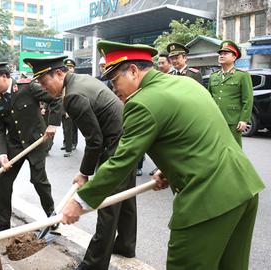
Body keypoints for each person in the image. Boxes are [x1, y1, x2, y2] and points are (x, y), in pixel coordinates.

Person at [62, 40, 265, 270]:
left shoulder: (141, 103)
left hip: (209, 199)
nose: (113, 87)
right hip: (244, 187)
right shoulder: (186, 84)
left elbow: (121, 162)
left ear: (133, 71)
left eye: (115, 79)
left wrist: (80, 201)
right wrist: (167, 169)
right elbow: (196, 134)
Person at [24, 55, 137, 270]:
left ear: (59, 74)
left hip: (115, 144)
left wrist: (84, 173)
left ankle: (93, 265)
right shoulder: (81, 80)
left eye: (44, 81)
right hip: (127, 139)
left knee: (106, 204)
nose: (43, 87)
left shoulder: (73, 96)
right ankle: (125, 245)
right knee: (126, 196)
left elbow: (94, 140)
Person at [0, 62, 60, 232]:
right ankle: (3, 221)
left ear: (4, 76)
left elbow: (56, 100)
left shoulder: (27, 88)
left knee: (38, 180)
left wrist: (53, 124)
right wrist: (2, 154)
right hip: (13, 144)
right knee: (3, 182)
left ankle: (52, 216)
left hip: (36, 141)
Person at [208, 40, 253, 147]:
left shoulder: (242, 75)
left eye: (225, 53)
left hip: (233, 121)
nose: (221, 56)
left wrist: (244, 119)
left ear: (234, 57)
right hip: (215, 119)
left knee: (234, 149)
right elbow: (209, 98)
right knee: (216, 147)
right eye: (220, 54)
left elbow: (248, 99)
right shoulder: (214, 76)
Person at [61, 58, 79, 157]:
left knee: (72, 127)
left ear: (74, 69)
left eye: (71, 67)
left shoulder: (75, 79)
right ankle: (67, 143)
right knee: (66, 127)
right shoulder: (63, 79)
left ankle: (71, 145)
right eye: (67, 67)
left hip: (72, 106)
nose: (69, 69)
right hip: (64, 105)